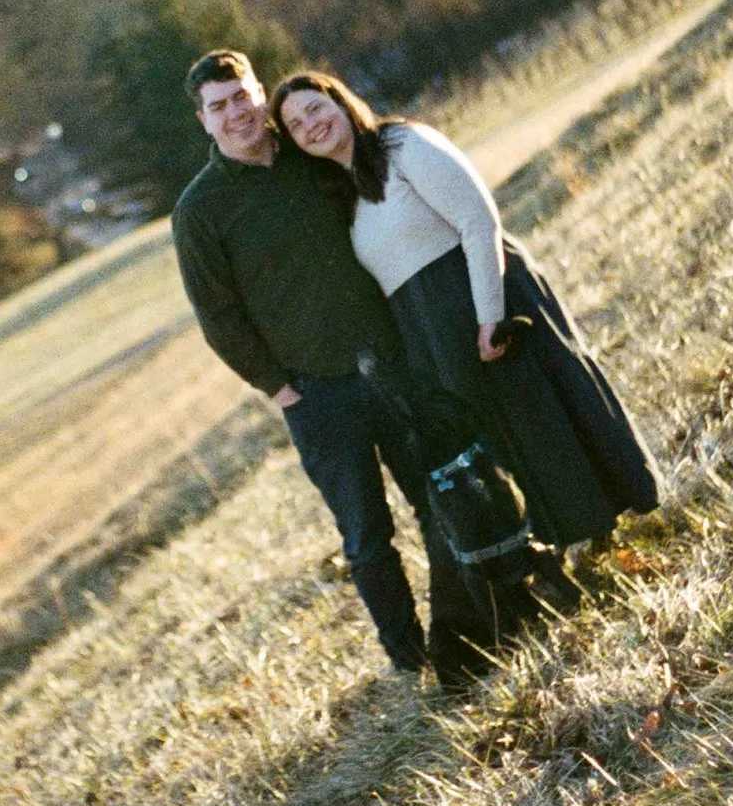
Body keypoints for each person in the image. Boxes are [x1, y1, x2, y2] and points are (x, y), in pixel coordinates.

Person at [171, 49, 489, 684]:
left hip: (390, 362)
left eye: (242, 97)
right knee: (367, 537)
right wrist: (279, 388)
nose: (235, 114)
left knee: (436, 496)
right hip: (315, 396)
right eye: (219, 107)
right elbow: (218, 318)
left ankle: (469, 627)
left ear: (260, 96)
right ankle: (410, 656)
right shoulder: (199, 212)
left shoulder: (307, 159)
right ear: (203, 121)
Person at [269, 70, 662, 558]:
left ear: (340, 102)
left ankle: (606, 519)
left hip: (484, 292)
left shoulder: (402, 144)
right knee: (504, 433)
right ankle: (566, 535)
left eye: (315, 108)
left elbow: (478, 219)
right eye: (295, 124)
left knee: (542, 410)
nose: (311, 125)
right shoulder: (343, 193)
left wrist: (489, 315)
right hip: (432, 327)